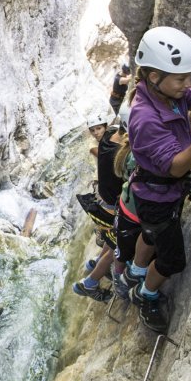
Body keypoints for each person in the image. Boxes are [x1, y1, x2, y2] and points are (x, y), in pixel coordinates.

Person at [115, 27, 191, 332]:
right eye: (181, 79)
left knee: (151, 234)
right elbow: (176, 167)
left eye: (189, 78)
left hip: (154, 195)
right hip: (158, 197)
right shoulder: (145, 119)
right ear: (154, 77)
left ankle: (135, 270)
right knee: (171, 261)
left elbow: (188, 100)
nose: (188, 84)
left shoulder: (166, 94)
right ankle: (146, 294)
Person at [73, 111, 127, 302]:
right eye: (93, 130)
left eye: (99, 129)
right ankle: (89, 283)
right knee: (116, 245)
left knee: (111, 239)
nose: (96, 133)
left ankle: (95, 264)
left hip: (104, 202)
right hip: (110, 205)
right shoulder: (114, 149)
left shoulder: (106, 142)